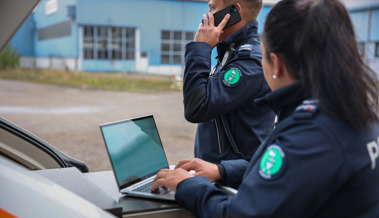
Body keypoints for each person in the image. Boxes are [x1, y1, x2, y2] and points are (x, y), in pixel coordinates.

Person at [152, 0, 379, 217]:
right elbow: (295, 170)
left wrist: (188, 186)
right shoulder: (356, 113)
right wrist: (223, 171)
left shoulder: (310, 134)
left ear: (276, 64)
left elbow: (239, 214)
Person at [183, 0, 275, 163]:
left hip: (233, 182)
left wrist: (200, 48)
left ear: (233, 12)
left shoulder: (249, 64)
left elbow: (196, 108)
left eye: (212, 8)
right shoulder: (230, 55)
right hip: (215, 176)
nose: (207, 16)